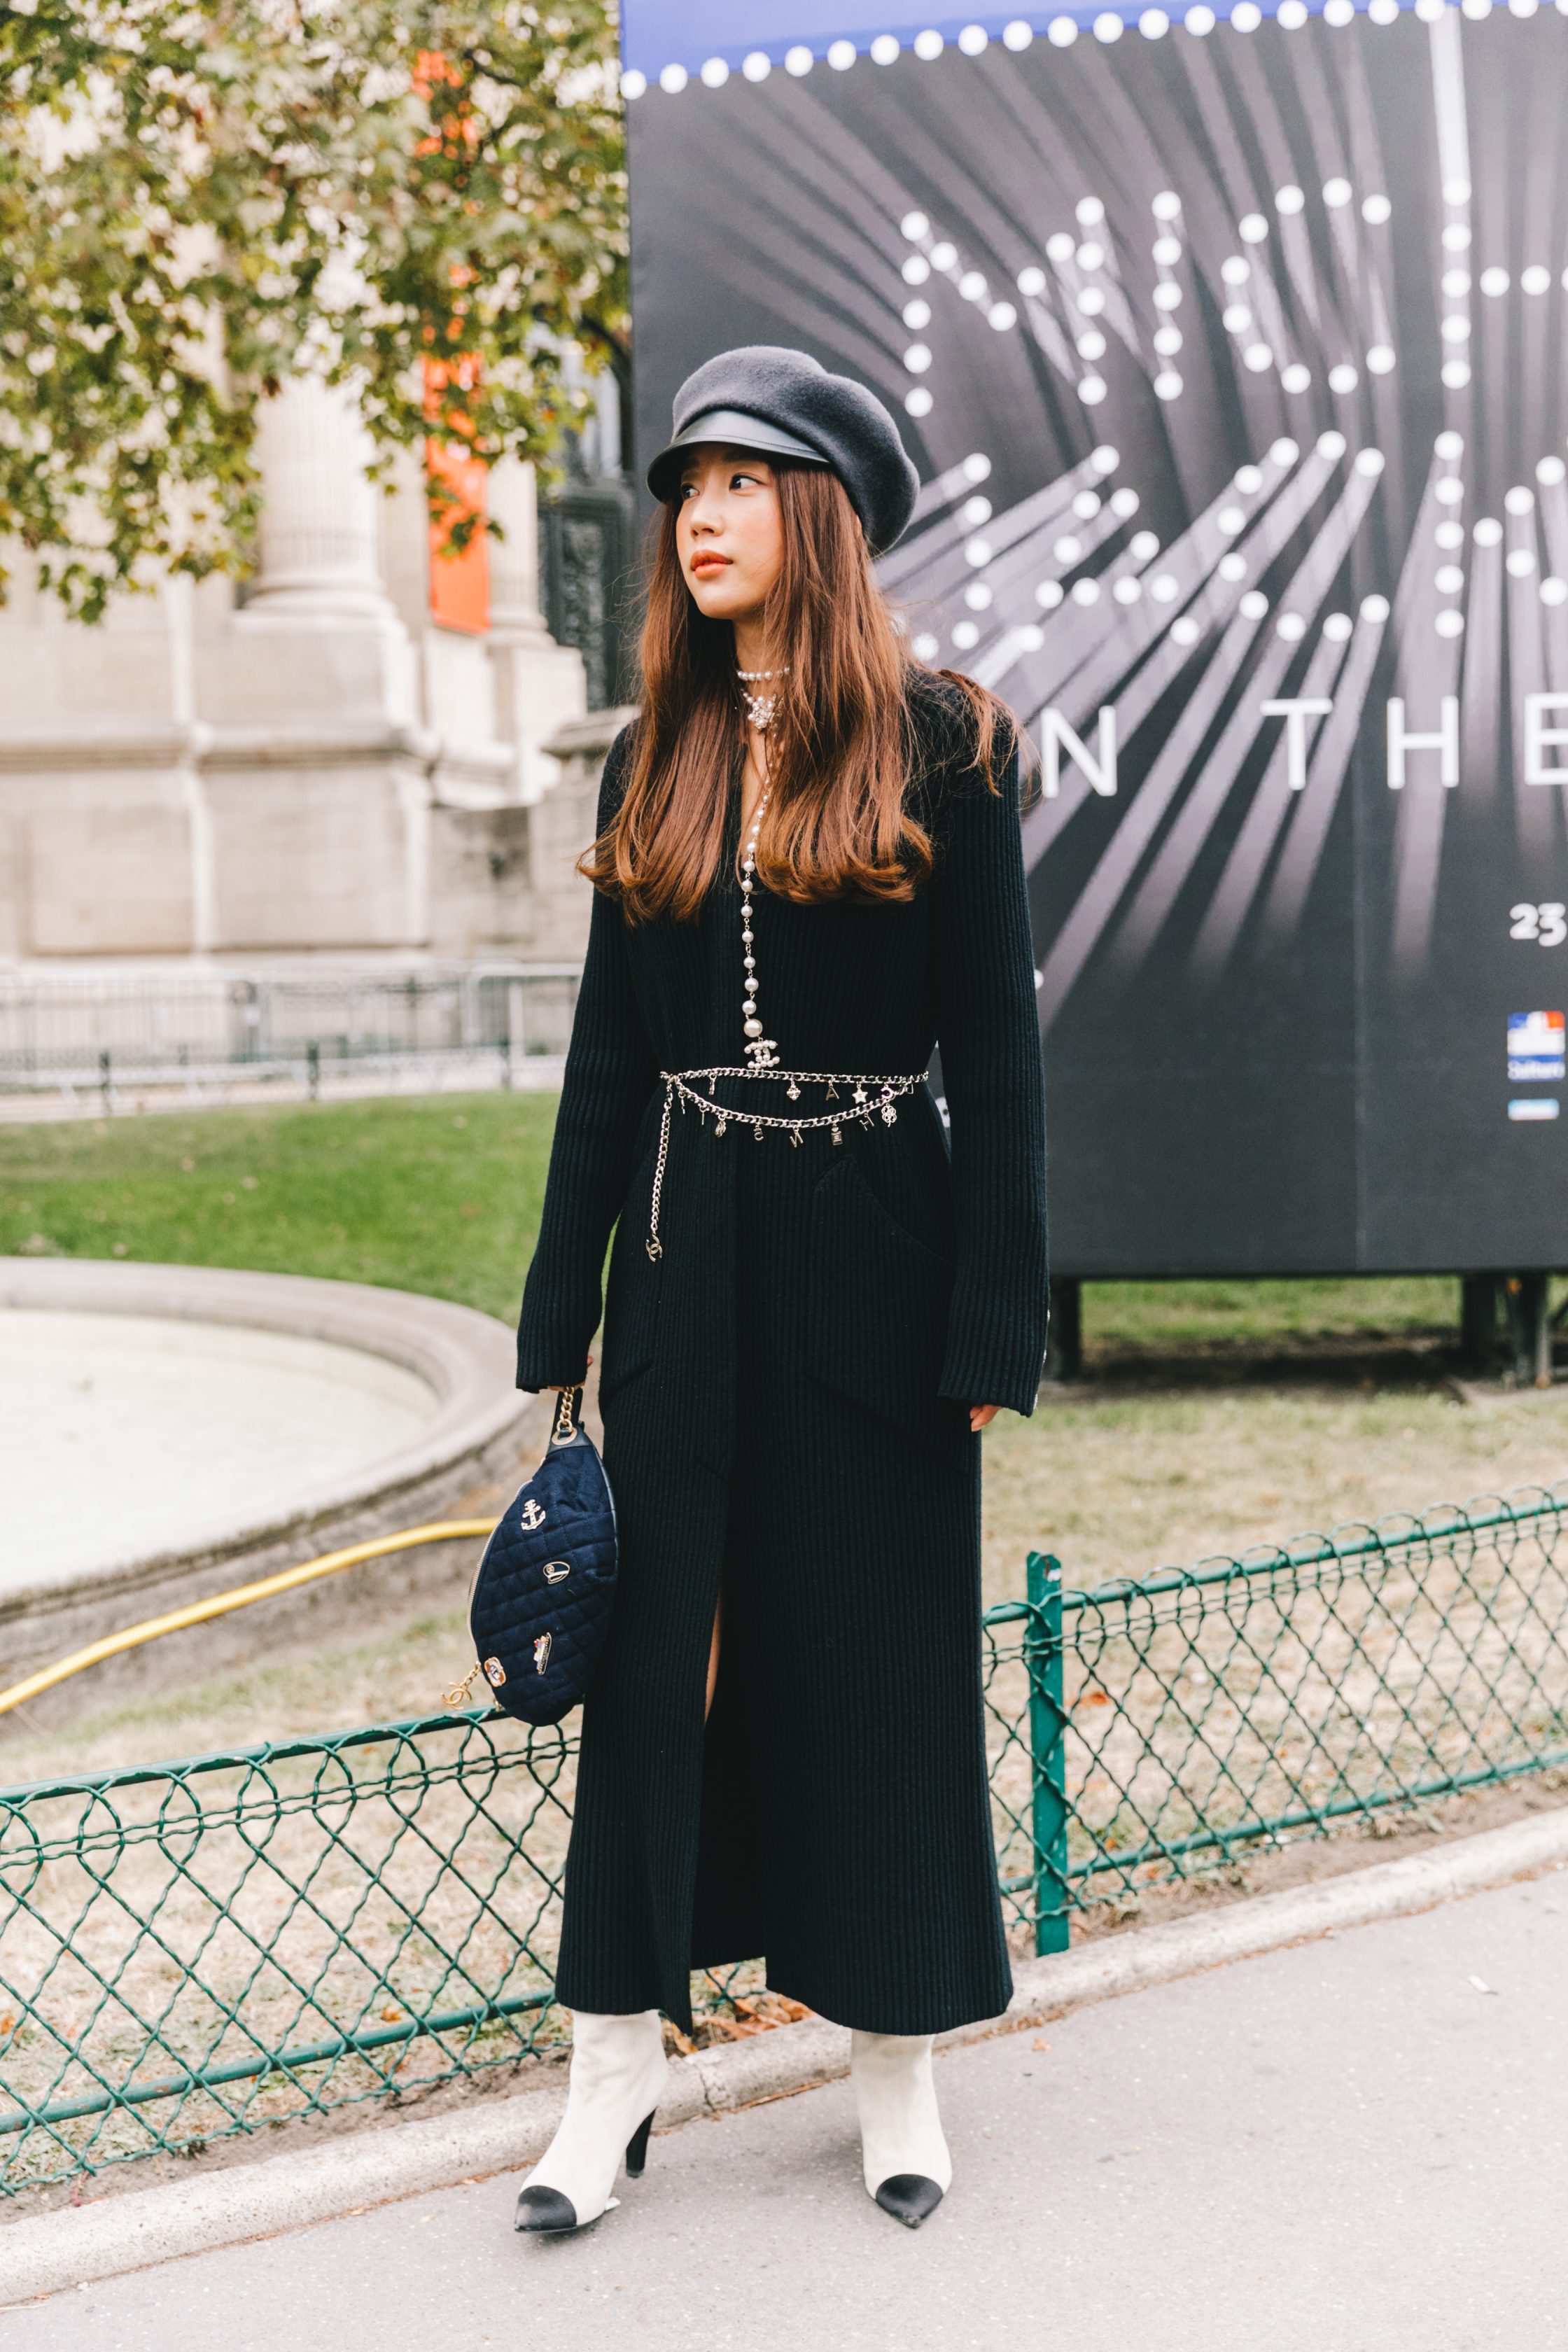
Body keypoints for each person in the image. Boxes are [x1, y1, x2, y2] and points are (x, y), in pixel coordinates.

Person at [512, 345, 1049, 2236]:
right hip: (681, 1272)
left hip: (882, 1276)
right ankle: (607, 2088)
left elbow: (999, 1050)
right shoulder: (645, 750)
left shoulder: (950, 740)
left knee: (880, 1673)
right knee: (650, 1687)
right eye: (686, 487)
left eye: (743, 482)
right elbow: (600, 1061)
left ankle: (895, 2078)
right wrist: (554, 1315)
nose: (703, 514)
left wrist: (994, 1321)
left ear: (817, 514)